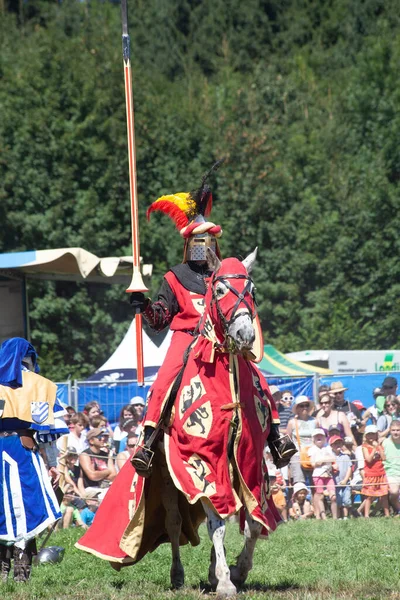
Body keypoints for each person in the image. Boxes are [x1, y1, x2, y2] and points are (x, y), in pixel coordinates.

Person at [130, 164, 292, 475]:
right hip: (187, 338)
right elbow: (161, 319)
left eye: (207, 242)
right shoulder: (174, 277)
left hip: (221, 341)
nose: (202, 247)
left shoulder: (224, 275)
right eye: (196, 242)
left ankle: (274, 437)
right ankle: (148, 442)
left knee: (257, 377)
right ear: (187, 244)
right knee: (165, 379)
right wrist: (145, 305)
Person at [0, 337, 62, 582]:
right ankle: (20, 571)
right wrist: (53, 464)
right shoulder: (40, 385)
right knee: (26, 507)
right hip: (23, 450)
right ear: (31, 358)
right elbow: (47, 432)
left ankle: (3, 570)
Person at [286, 396, 317, 485]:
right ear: (297, 408)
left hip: (313, 455)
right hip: (297, 455)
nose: (305, 408)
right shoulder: (292, 422)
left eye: (306, 405)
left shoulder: (315, 421)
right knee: (299, 484)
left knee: (315, 485)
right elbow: (287, 442)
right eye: (301, 406)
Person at [361, 425, 389, 518]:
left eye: (373, 434)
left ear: (376, 435)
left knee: (384, 495)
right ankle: (366, 515)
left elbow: (384, 458)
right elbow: (368, 459)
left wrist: (379, 447)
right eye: (369, 434)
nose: (371, 436)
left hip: (381, 473)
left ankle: (387, 514)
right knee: (369, 496)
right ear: (366, 436)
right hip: (371, 474)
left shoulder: (380, 446)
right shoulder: (365, 447)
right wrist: (374, 448)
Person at [308, 429, 337, 520]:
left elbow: (333, 459)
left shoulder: (328, 447)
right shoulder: (312, 449)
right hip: (318, 475)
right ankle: (324, 517)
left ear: (325, 438)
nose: (319, 437)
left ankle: (335, 518)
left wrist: (322, 460)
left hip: (328, 475)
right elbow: (313, 464)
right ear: (313, 439)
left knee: (333, 496)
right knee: (320, 495)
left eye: (321, 436)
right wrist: (323, 460)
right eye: (317, 436)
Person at [78, 428, 117, 495]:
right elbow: (92, 476)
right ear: (91, 441)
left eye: (103, 436)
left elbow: (113, 475)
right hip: (91, 489)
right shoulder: (85, 455)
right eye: (99, 437)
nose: (103, 439)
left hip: (105, 488)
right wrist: (108, 471)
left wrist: (98, 474)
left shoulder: (106, 455)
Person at [330, 436, 352, 519]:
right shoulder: (330, 457)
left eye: (339, 443)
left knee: (346, 500)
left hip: (345, 483)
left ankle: (345, 516)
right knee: (338, 500)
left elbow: (349, 468)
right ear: (331, 445)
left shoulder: (345, 457)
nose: (338, 445)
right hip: (335, 482)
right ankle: (338, 516)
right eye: (335, 443)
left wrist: (346, 480)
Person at [382, 420, 400, 515]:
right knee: (394, 492)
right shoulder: (384, 442)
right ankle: (397, 508)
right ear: (389, 430)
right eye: (393, 430)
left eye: (398, 430)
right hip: (390, 472)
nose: (396, 432)